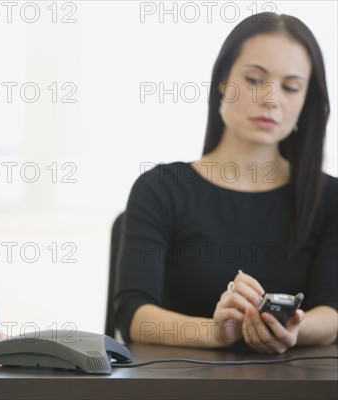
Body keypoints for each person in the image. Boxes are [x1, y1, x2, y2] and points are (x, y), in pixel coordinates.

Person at [114, 12, 337, 354]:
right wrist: (219, 332)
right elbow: (134, 316)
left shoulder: (329, 199)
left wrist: (289, 327)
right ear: (222, 81)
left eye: (291, 87)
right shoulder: (160, 188)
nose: (271, 99)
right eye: (253, 80)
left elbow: (332, 314)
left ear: (306, 101)